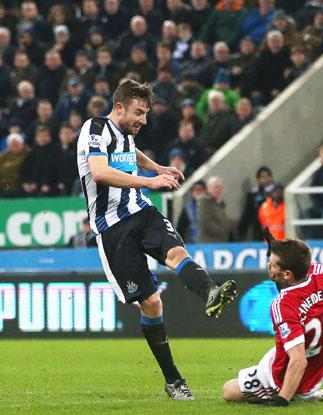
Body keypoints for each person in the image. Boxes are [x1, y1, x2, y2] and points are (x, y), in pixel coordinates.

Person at [77, 80, 237, 400]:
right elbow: (100, 172)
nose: (144, 120)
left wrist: (156, 165)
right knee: (151, 303)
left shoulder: (124, 134)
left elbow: (128, 151)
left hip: (142, 212)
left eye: (147, 114)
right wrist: (150, 179)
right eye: (139, 113)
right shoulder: (95, 128)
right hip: (113, 228)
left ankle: (209, 292)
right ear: (119, 107)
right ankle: (173, 379)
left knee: (176, 251)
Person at [222, 238, 323, 406]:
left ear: (287, 274)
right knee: (288, 344)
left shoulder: (283, 303)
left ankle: (299, 394)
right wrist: (281, 246)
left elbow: (298, 360)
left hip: (294, 371)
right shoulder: (322, 272)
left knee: (229, 391)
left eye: (272, 264)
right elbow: (301, 258)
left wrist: (281, 400)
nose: (268, 266)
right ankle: (304, 393)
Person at [197, 176, 235, 242]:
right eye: (216, 187)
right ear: (208, 188)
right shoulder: (205, 202)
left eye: (220, 188)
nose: (218, 190)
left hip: (219, 243)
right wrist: (224, 229)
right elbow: (206, 223)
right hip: (209, 244)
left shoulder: (219, 204)